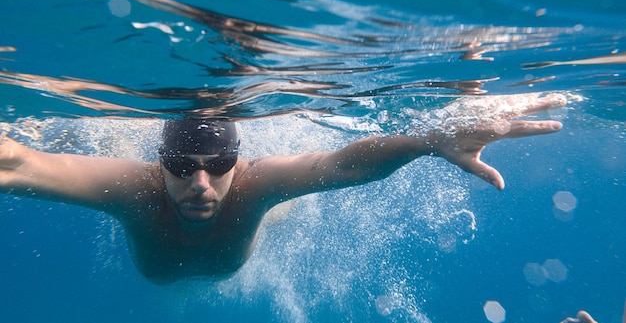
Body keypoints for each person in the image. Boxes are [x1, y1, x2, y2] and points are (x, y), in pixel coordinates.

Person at [0, 94, 564, 284]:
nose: (200, 182)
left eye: (219, 163)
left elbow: (342, 164)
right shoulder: (132, 187)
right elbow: (19, 166)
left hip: (258, 214)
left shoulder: (254, 183)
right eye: (179, 164)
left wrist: (428, 137)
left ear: (237, 161)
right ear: (159, 160)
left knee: (276, 204)